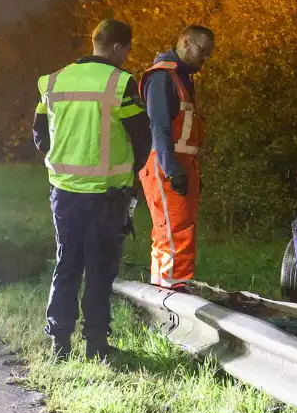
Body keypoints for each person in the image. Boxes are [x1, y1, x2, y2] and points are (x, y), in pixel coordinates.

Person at [33, 19, 151, 360]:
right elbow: (141, 136)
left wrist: (64, 159)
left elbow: (40, 136)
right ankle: (96, 345)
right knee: (100, 270)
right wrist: (129, 173)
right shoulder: (120, 82)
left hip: (64, 192)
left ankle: (59, 343)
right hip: (106, 196)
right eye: (126, 50)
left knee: (67, 263)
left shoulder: (53, 81)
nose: (126, 56)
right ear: (116, 47)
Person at [139, 25, 213, 291]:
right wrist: (172, 170)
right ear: (185, 43)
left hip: (180, 166)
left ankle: (167, 290)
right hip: (167, 166)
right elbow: (159, 127)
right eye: (202, 51)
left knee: (174, 233)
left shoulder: (180, 78)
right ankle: (172, 294)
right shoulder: (162, 78)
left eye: (209, 54)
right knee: (175, 234)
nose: (205, 58)